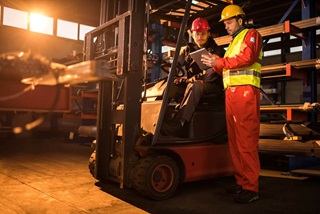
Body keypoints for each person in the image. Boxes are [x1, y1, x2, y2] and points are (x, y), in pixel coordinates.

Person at [201, 4, 262, 203]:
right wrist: (215, 63)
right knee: (235, 142)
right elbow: (227, 68)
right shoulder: (233, 43)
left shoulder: (251, 35)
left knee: (246, 141)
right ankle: (242, 182)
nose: (226, 26)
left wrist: (219, 62)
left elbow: (247, 58)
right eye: (225, 23)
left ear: (240, 20)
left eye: (229, 22)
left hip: (245, 93)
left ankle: (251, 188)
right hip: (232, 95)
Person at [161, 17, 225, 137]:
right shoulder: (189, 50)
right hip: (192, 82)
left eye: (203, 34)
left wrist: (187, 80)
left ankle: (179, 124)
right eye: (197, 34)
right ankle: (162, 121)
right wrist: (173, 68)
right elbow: (177, 65)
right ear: (192, 34)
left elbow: (211, 76)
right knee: (168, 86)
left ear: (209, 34)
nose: (200, 37)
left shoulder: (217, 51)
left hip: (212, 86)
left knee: (195, 85)